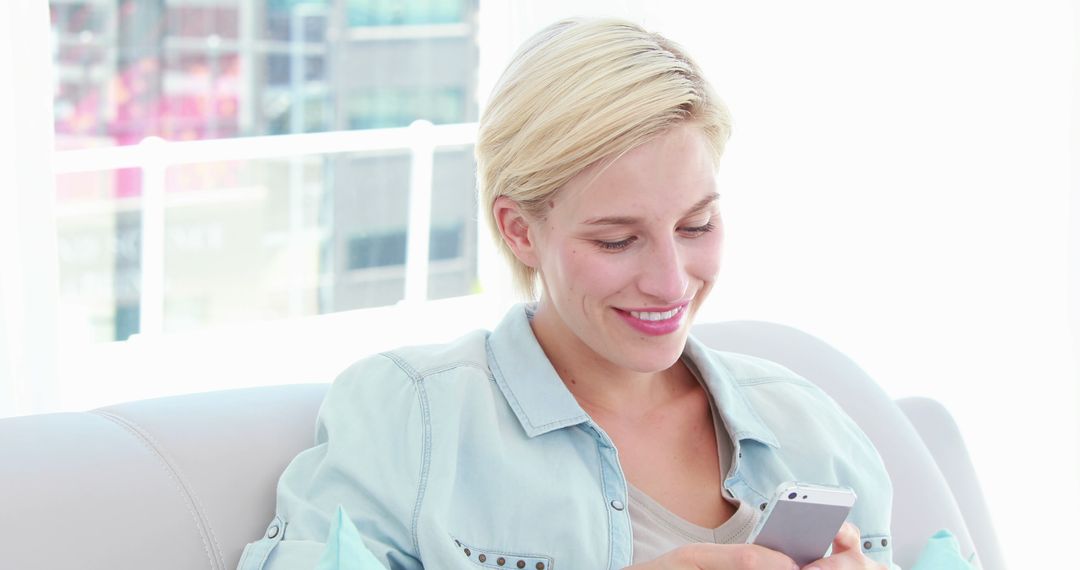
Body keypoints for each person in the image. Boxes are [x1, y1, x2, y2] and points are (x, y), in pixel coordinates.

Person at [237, 17, 895, 570]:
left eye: (696, 225)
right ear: (519, 230)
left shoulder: (810, 428)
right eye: (616, 240)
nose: (670, 282)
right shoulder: (413, 418)